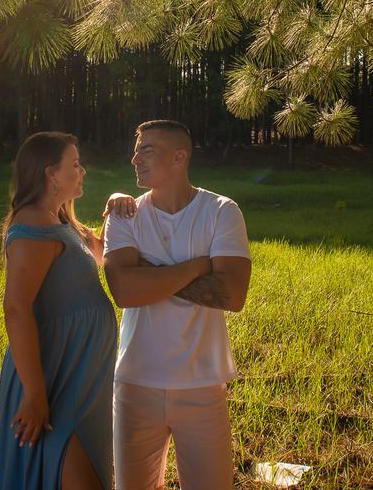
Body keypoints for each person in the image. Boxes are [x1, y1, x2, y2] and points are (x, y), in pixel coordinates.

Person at [103, 120, 253, 490]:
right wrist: (200, 266)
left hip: (201, 383)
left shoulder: (221, 211)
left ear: (179, 156)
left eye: (147, 149)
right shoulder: (124, 214)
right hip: (135, 383)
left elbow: (232, 294)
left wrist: (148, 272)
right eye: (136, 149)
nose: (134, 157)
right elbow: (123, 290)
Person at [0, 132, 117, 490]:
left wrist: (117, 201)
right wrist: (34, 395)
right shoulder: (32, 224)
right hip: (52, 377)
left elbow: (102, 253)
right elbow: (15, 308)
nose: (83, 171)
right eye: (75, 164)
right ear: (51, 174)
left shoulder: (60, 221)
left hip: (80, 376)